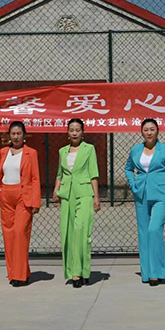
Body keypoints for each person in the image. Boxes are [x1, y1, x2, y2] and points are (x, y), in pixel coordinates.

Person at [125, 119, 165, 287]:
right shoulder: (135, 150)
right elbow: (128, 168)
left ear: (157, 131)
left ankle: (158, 272)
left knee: (154, 230)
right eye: (146, 129)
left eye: (152, 129)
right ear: (142, 131)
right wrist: (133, 184)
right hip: (141, 194)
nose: (149, 133)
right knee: (144, 234)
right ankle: (147, 273)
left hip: (161, 194)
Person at [0, 121, 41, 287]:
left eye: (19, 133)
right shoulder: (4, 151)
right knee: (9, 235)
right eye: (13, 134)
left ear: (24, 135)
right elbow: (1, 172)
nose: (16, 137)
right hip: (6, 195)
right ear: (9, 136)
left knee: (20, 233)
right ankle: (14, 273)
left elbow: (35, 178)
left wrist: (35, 202)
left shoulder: (31, 153)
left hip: (23, 196)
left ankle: (21, 275)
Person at [54, 119, 101, 288]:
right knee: (68, 232)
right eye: (71, 130)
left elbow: (93, 174)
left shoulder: (89, 149)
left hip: (84, 193)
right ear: (67, 132)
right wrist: (56, 189)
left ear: (83, 132)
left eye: (77, 130)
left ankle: (81, 271)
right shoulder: (62, 151)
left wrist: (96, 197)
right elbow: (60, 174)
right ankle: (74, 271)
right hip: (67, 195)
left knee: (81, 231)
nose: (74, 133)